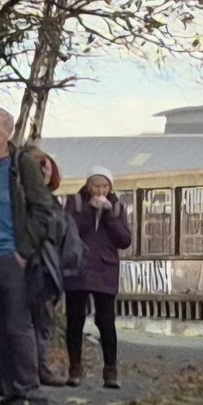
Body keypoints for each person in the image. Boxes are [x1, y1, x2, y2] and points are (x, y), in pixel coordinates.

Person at [0, 107, 54, 405]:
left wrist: (23, 251)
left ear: (7, 132)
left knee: (18, 327)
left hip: (11, 258)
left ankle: (29, 393)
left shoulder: (21, 166)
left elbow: (43, 208)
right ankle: (10, 392)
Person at [64, 166, 132, 388]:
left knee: (106, 321)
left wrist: (109, 215)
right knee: (74, 320)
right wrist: (89, 212)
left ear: (110, 187)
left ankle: (110, 370)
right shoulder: (74, 202)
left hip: (105, 269)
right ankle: (75, 368)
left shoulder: (118, 207)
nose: (100, 191)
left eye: (104, 186)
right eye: (96, 186)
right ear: (88, 185)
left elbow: (124, 240)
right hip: (78, 267)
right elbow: (68, 230)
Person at [25, 146, 66, 388]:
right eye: (39, 165)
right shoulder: (27, 200)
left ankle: (39, 365)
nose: (44, 170)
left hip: (51, 268)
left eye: (47, 165)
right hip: (33, 264)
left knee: (43, 322)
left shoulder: (54, 202)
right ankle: (31, 369)